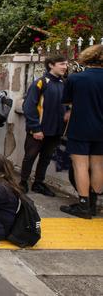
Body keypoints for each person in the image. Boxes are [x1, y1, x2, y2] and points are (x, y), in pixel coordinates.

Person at [60, 45, 103, 219]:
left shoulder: (76, 78)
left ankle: (83, 205)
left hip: (80, 127)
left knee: (80, 166)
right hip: (101, 129)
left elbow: (67, 102)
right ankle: (94, 204)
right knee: (98, 165)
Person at [20, 55, 69, 196]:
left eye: (66, 64)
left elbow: (68, 104)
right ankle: (22, 183)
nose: (65, 67)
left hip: (56, 131)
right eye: (61, 64)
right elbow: (28, 107)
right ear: (51, 65)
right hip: (38, 131)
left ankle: (38, 183)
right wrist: (35, 128)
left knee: (46, 158)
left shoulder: (64, 83)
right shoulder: (40, 83)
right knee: (30, 157)